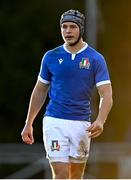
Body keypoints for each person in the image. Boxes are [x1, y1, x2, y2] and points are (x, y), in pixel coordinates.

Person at [21, 9, 113, 179]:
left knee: (76, 175)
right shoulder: (51, 56)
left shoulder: (95, 59)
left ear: (81, 29)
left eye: (72, 27)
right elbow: (40, 91)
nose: (68, 31)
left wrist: (100, 120)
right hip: (54, 121)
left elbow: (106, 94)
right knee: (61, 173)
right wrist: (29, 123)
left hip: (81, 124)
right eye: (64, 27)